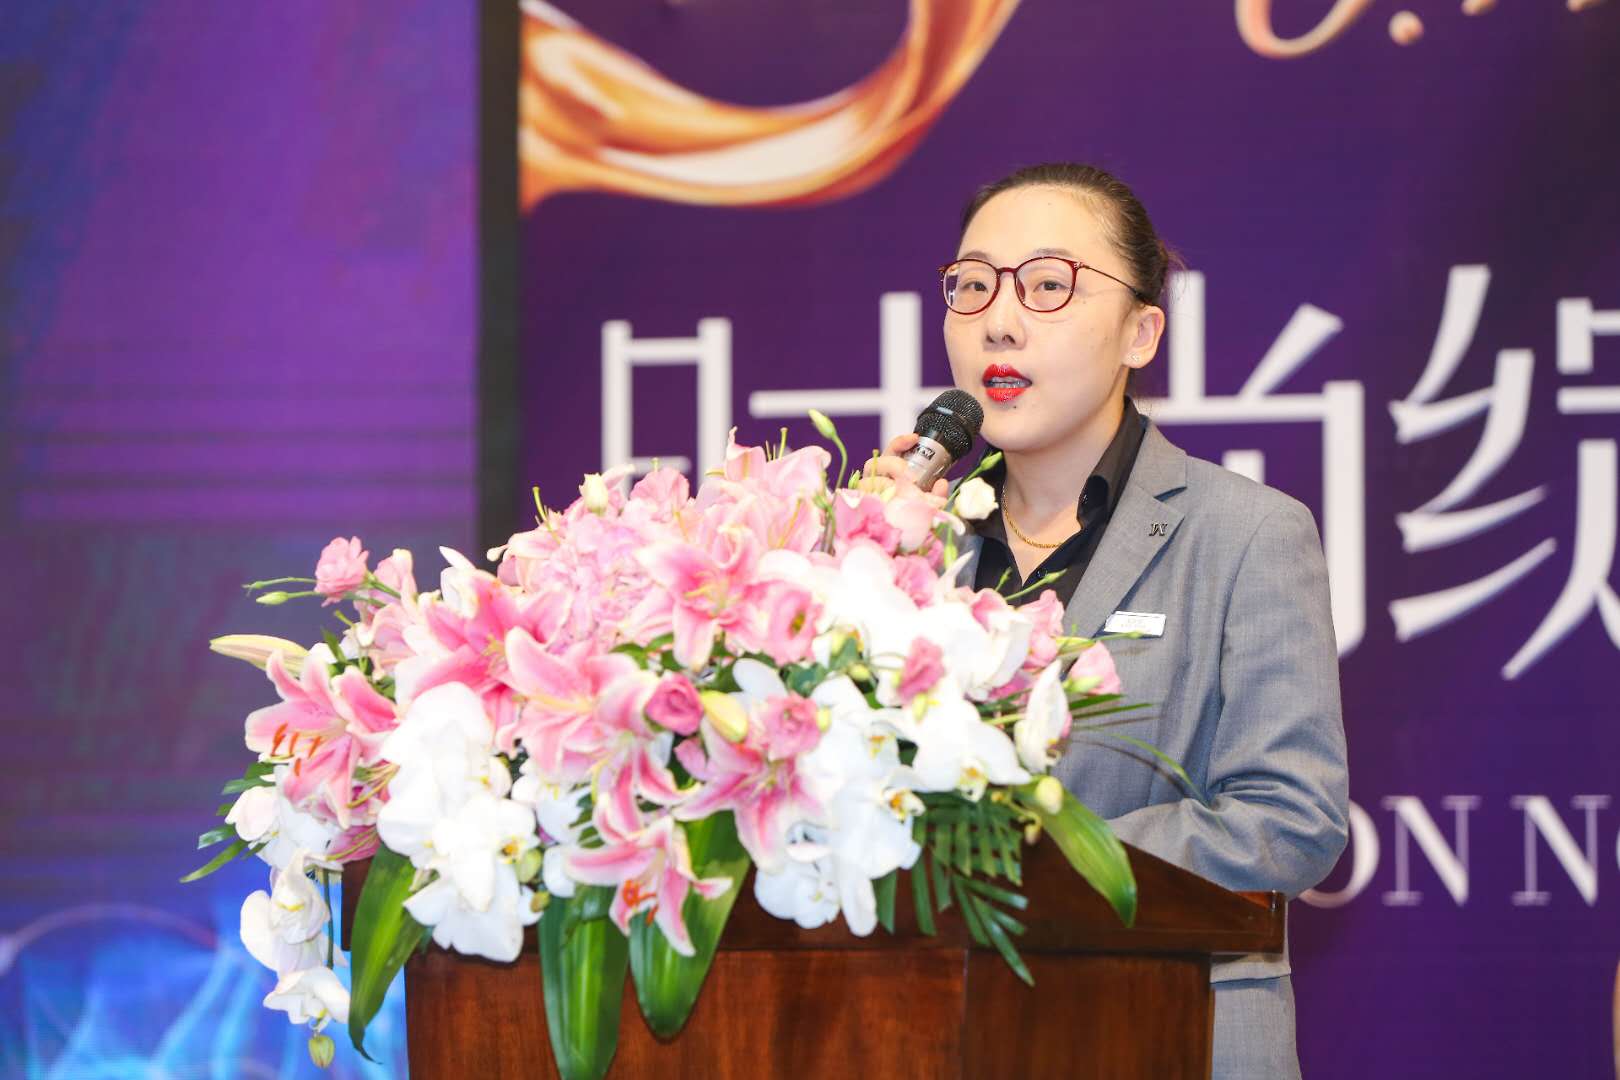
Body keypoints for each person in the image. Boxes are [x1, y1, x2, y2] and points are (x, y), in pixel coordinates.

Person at [865, 162, 1349, 1079]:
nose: (999, 322)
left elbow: (1288, 819)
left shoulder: (1245, 534)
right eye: (972, 286)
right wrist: (867, 577)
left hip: (1168, 1032)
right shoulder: (901, 545)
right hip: (934, 1038)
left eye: (1048, 286)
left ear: (1140, 331)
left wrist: (1025, 864)